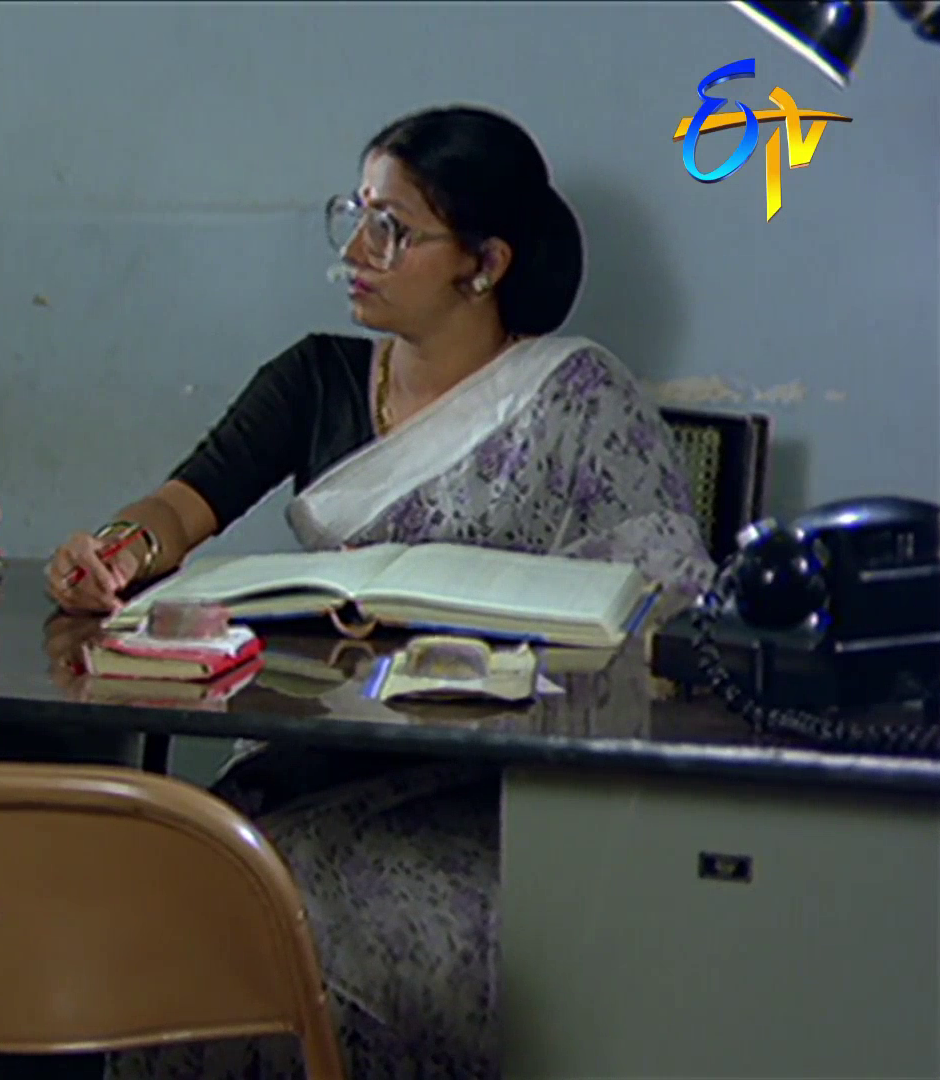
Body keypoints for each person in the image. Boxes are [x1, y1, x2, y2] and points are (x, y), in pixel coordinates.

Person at [49, 106, 715, 1079]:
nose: (355, 251)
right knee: (176, 896)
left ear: (483, 264)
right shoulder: (314, 378)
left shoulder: (579, 400)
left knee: (338, 932)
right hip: (315, 765)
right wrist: (118, 551)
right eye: (355, 215)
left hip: (506, 801)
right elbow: (179, 509)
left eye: (393, 229)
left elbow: (671, 605)